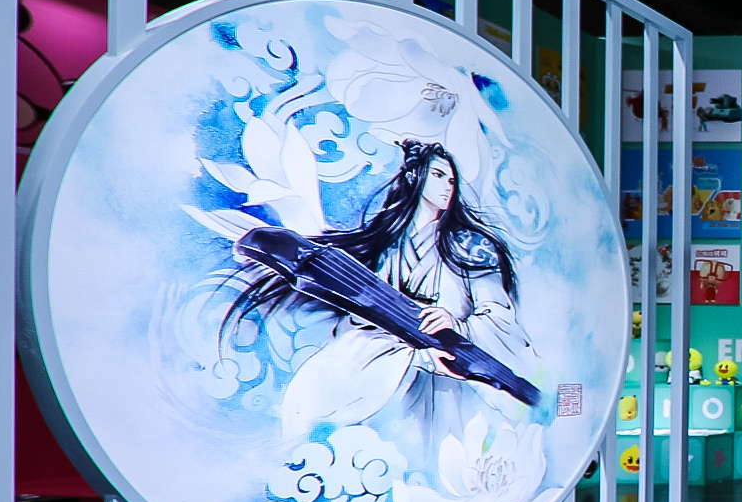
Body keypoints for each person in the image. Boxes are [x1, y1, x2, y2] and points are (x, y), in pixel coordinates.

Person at [224, 142, 536, 444]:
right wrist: (415, 353)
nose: (447, 187)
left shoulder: (470, 246)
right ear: (415, 177)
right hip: (396, 372)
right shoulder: (386, 244)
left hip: (451, 379)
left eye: (452, 181)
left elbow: (499, 316)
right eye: (439, 175)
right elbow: (362, 317)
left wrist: (456, 324)